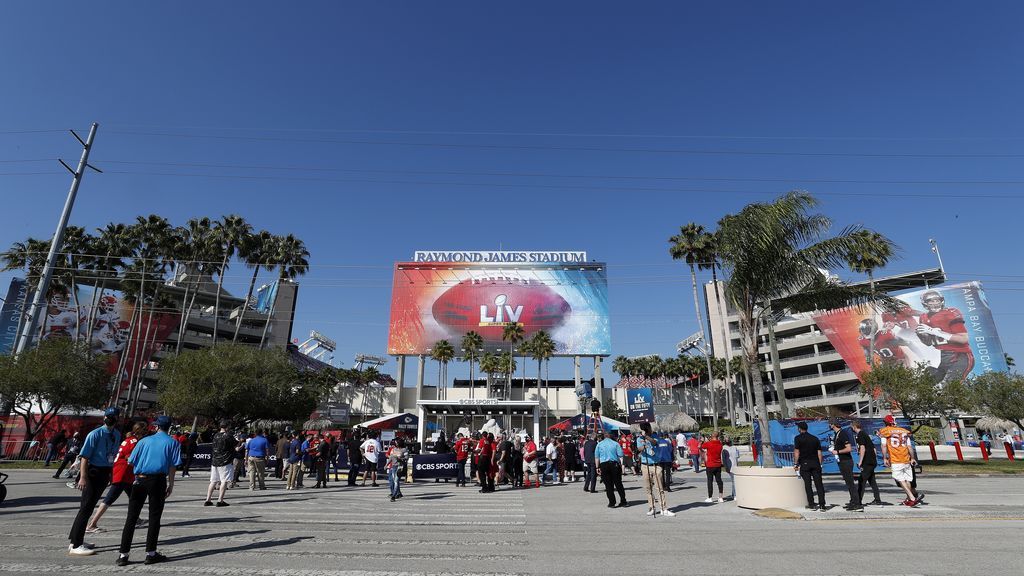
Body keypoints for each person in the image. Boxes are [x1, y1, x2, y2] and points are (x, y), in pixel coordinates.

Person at [115, 415, 182, 566]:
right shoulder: (173, 442)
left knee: (131, 518)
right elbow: (173, 466)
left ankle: (123, 555)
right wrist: (170, 484)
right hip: (157, 480)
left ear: (156, 426)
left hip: (139, 479)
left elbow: (131, 460)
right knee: (154, 517)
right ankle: (150, 553)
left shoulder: (143, 441)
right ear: (168, 427)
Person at [67, 407, 122, 556]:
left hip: (105, 471)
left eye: (113, 416)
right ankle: (75, 544)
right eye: (108, 416)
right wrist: (83, 477)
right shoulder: (95, 434)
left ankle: (76, 538)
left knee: (89, 507)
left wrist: (111, 474)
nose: (110, 419)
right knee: (85, 508)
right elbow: (85, 457)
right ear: (104, 417)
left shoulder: (116, 434)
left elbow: (114, 455)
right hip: (92, 471)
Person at [86, 421, 148, 533]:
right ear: (142, 432)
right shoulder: (135, 442)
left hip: (123, 473)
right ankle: (92, 524)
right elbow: (130, 459)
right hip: (124, 473)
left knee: (134, 497)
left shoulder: (129, 440)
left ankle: (136, 519)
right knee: (109, 499)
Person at [915, 290, 974, 386]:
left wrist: (934, 331)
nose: (934, 303)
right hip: (943, 357)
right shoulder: (923, 317)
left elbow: (963, 339)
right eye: (931, 301)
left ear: (941, 301)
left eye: (937, 300)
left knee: (948, 388)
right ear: (925, 304)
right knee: (925, 384)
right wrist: (922, 335)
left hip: (960, 356)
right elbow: (928, 342)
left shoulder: (950, 313)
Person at [878, 415, 924, 507]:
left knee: (899, 478)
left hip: (896, 458)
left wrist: (884, 458)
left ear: (886, 422)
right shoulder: (904, 431)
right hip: (906, 458)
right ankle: (909, 499)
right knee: (907, 479)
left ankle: (911, 497)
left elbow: (883, 446)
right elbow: (909, 446)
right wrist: (913, 458)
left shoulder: (884, 431)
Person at [637, 423, 672, 517]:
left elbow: (655, 443)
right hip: (645, 465)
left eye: (647, 428)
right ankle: (652, 507)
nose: (648, 429)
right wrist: (643, 445)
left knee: (659, 488)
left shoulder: (655, 436)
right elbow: (639, 448)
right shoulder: (639, 439)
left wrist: (647, 437)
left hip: (656, 465)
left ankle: (663, 508)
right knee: (648, 488)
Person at [829, 419, 863, 512]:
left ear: (833, 425)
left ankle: (857, 504)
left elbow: (848, 448)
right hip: (842, 461)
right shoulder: (837, 434)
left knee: (851, 483)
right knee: (848, 483)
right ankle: (853, 501)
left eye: (830, 424)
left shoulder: (842, 433)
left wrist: (837, 451)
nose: (829, 426)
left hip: (846, 461)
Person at [793, 421, 826, 511]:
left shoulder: (798, 438)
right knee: (819, 484)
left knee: (808, 485)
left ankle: (811, 504)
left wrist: (796, 463)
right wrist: (820, 464)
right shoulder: (815, 438)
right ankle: (822, 504)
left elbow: (797, 452)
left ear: (799, 429)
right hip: (815, 463)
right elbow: (819, 453)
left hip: (805, 464)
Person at [850, 419, 883, 506]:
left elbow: (862, 448)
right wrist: (873, 459)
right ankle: (877, 500)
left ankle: (858, 501)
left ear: (854, 427)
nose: (852, 429)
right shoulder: (865, 434)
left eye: (852, 427)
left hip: (867, 462)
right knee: (872, 481)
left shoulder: (860, 435)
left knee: (862, 481)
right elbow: (874, 449)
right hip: (871, 461)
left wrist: (860, 461)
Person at [205, 420, 236, 506]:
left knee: (213, 481)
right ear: (227, 427)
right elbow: (235, 444)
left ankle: (208, 499)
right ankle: (220, 500)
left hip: (215, 461)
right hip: (225, 461)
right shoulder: (228, 436)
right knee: (224, 481)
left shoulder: (216, 435)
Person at [595, 431, 627, 508]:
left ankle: (612, 502)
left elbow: (597, 457)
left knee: (608, 485)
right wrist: (622, 465)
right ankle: (623, 500)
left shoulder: (599, 444)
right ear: (610, 436)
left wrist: (597, 467)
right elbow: (620, 455)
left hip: (604, 465)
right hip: (614, 464)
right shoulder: (615, 444)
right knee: (618, 483)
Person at [702, 430, 725, 504]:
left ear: (712, 436)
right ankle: (720, 497)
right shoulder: (720, 444)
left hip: (710, 464)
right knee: (719, 481)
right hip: (718, 464)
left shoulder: (709, 443)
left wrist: (703, 441)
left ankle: (710, 497)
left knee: (710, 481)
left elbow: (702, 446)